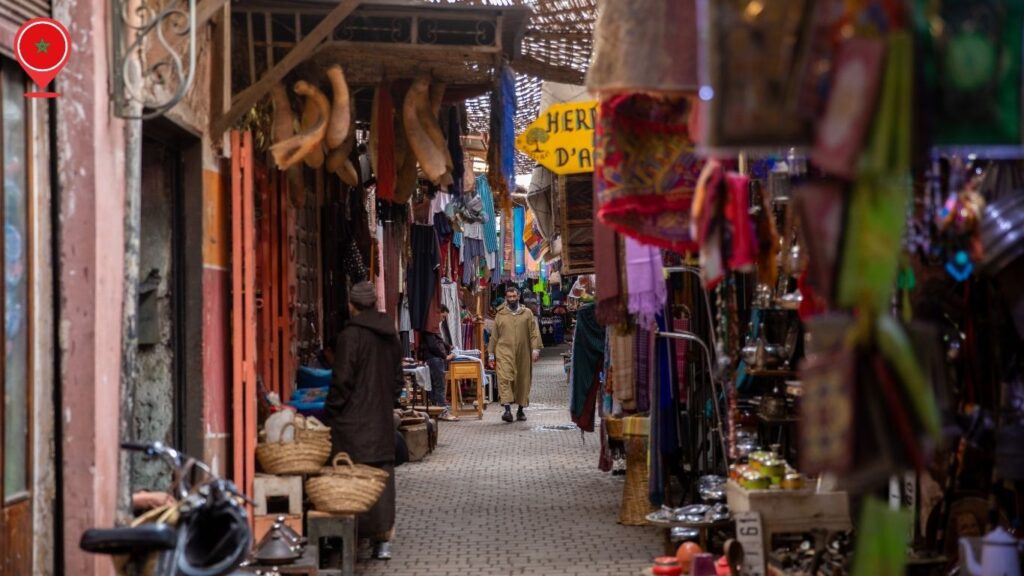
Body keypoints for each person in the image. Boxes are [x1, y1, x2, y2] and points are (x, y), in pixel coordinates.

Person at [325, 281, 403, 560]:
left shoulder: (351, 336)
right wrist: (387, 403)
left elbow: (342, 380)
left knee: (351, 475)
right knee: (382, 476)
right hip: (380, 418)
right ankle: (382, 541)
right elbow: (397, 380)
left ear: (352, 306)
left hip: (353, 422)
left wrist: (331, 411)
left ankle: (352, 532)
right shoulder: (389, 334)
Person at [487, 286, 543, 423]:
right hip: (504, 352)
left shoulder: (527, 313)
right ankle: (507, 410)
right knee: (504, 378)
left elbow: (534, 332)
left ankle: (520, 410)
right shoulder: (500, 314)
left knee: (523, 380)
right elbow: (494, 336)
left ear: (518, 296)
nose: (512, 299)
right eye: (509, 297)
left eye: (514, 296)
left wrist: (535, 349)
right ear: (506, 298)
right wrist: (491, 354)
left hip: (523, 353)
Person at [421, 306, 458, 421]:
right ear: (438, 313)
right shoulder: (430, 326)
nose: (443, 319)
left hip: (434, 359)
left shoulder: (432, 326)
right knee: (439, 386)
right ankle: (443, 412)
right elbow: (433, 345)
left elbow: (438, 342)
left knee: (435, 386)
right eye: (443, 316)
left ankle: (436, 411)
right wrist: (445, 356)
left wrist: (448, 346)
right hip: (435, 359)